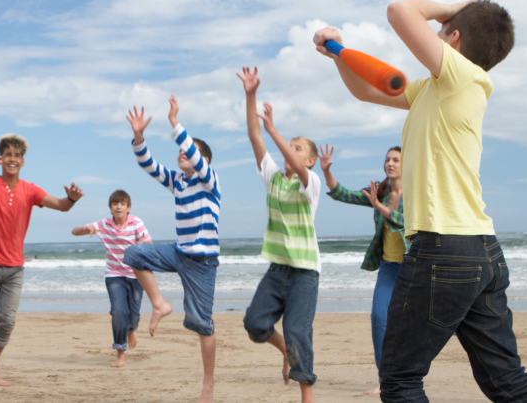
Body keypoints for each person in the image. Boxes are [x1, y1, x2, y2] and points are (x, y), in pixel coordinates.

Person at [315, 0, 527, 402]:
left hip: (443, 249)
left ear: (454, 37)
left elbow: (400, 11)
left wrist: (455, 6)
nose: (439, 29)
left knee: (399, 381)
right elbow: (366, 90)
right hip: (480, 251)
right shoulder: (436, 89)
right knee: (507, 381)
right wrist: (338, 52)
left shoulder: (464, 76)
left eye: (445, 27)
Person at [0, 133, 84, 386]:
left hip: (14, 269)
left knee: (7, 322)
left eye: (17, 155)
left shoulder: (30, 190)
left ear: (22, 161)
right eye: (8, 155)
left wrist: (72, 199)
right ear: (1, 158)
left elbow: (61, 205)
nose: (12, 159)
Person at [121, 95, 221, 402]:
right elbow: (148, 165)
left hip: (202, 263)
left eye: (186, 152)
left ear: (201, 160)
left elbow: (192, 149)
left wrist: (175, 123)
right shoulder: (178, 181)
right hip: (178, 253)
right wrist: (139, 137)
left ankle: (207, 385)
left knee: (203, 325)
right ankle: (160, 304)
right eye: (178, 151)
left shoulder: (209, 180)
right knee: (133, 253)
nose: (181, 154)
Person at [236, 67, 322, 403]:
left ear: (312, 161)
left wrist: (275, 130)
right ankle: (285, 351)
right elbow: (254, 136)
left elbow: (296, 166)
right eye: (292, 146)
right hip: (277, 271)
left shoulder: (309, 184)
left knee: (299, 331)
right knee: (255, 323)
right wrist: (250, 95)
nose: (292, 151)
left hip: (304, 274)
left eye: (298, 148)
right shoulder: (272, 177)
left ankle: (307, 394)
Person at [319, 144, 404, 395]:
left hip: (415, 267)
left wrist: (380, 207)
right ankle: (385, 379)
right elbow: (344, 194)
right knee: (379, 318)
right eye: (387, 159)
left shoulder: (419, 192)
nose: (390, 163)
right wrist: (326, 172)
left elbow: (409, 221)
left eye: (396, 160)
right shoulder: (380, 191)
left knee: (415, 326)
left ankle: (408, 373)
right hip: (389, 268)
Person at [71, 189, 152, 367]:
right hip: (114, 274)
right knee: (118, 310)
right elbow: (74, 231)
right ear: (110, 208)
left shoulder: (136, 222)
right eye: (115, 204)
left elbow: (148, 243)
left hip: (135, 274)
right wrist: (86, 228)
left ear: (128, 207)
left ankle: (131, 329)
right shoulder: (104, 224)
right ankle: (120, 354)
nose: (118, 207)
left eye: (122, 204)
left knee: (133, 315)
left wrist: (141, 246)